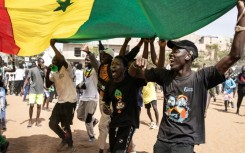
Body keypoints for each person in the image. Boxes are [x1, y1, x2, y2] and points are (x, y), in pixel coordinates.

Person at [128, 1, 245, 152]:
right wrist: (134, 65)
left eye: (176, 51)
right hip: (162, 141)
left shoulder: (201, 78)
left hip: (184, 144)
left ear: (188, 56)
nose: (171, 55)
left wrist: (242, 14)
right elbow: (133, 74)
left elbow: (234, 55)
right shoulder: (164, 75)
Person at [102, 56, 146, 152]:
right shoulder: (109, 84)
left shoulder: (132, 81)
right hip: (114, 122)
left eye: (117, 64)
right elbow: (106, 103)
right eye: (112, 64)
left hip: (128, 122)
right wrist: (105, 109)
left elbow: (143, 76)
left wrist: (140, 66)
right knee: (113, 150)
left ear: (125, 68)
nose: (113, 66)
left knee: (119, 151)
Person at [46, 40, 77, 153]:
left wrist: (52, 46)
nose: (53, 62)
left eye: (55, 61)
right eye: (52, 61)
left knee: (65, 124)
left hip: (70, 100)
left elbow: (62, 58)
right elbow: (47, 85)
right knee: (52, 123)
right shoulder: (54, 74)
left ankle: (70, 146)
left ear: (60, 62)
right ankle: (64, 138)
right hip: (61, 101)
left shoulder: (67, 68)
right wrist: (47, 71)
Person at [76, 54, 99, 142]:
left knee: (87, 119)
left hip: (92, 98)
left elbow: (96, 64)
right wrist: (79, 85)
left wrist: (90, 54)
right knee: (79, 116)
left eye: (88, 60)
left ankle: (92, 137)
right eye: (85, 60)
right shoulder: (85, 70)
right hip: (84, 97)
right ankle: (94, 120)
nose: (86, 61)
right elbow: (85, 82)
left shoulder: (96, 70)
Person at [21, 58, 45, 128]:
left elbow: (46, 78)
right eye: (41, 62)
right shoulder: (32, 70)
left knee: (39, 106)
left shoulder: (44, 70)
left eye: (43, 62)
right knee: (31, 105)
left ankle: (37, 121)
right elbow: (27, 79)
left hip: (40, 90)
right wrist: (23, 88)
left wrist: (44, 70)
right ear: (38, 62)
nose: (42, 63)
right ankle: (30, 120)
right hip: (33, 89)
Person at [0, 56, 16, 130]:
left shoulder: (3, 69)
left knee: (3, 107)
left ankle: (3, 124)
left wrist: (13, 62)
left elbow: (13, 69)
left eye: (0, 60)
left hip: (2, 89)